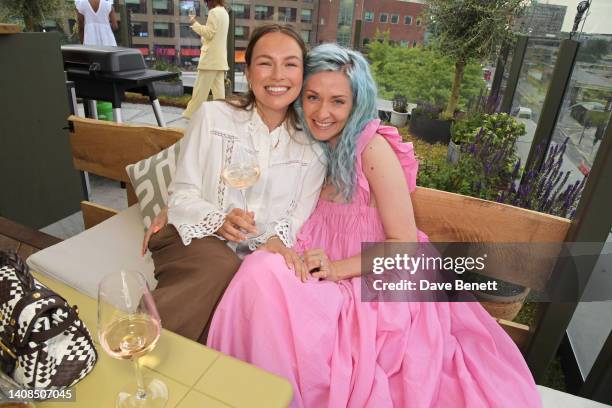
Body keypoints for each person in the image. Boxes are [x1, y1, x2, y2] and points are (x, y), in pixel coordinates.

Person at [207, 44, 541, 407]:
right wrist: (187, 209)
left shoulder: (371, 149)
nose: (322, 112)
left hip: (375, 279)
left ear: (357, 104)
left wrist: (337, 269)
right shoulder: (302, 142)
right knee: (261, 277)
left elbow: (405, 242)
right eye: (313, 97)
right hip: (316, 265)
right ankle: (247, 389)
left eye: (338, 101)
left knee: (271, 286)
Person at [145, 25, 326, 344]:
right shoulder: (213, 117)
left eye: (290, 64)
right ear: (248, 71)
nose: (278, 75)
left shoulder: (312, 150)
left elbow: (294, 220)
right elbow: (182, 194)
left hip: (259, 255)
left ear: (303, 74)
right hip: (192, 235)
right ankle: (141, 341)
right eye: (265, 62)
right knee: (225, 268)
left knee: (258, 286)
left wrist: (271, 239)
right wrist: (219, 221)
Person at [183, 0, 230, 119]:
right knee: (219, 93)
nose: (206, 4)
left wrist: (194, 22)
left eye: (206, 1)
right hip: (219, 60)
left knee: (200, 91)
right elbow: (216, 35)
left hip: (210, 60)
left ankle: (191, 116)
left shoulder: (214, 12)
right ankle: (222, 116)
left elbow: (209, 33)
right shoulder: (224, 12)